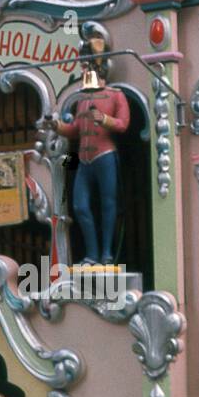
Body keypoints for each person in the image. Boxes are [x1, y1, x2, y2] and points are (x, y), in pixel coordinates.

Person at [56, 42, 129, 265]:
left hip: (105, 156)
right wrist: (56, 125)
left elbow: (123, 124)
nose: (84, 71)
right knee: (79, 205)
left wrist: (104, 119)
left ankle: (106, 254)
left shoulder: (116, 95)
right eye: (84, 67)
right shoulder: (82, 99)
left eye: (88, 67)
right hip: (81, 159)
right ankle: (92, 253)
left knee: (109, 205)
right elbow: (75, 130)